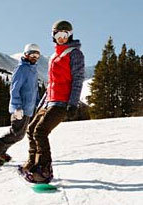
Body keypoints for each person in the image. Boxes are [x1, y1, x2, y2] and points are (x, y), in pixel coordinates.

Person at [19, 20, 85, 183]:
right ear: (53, 36)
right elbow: (51, 85)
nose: (61, 38)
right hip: (50, 101)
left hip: (63, 102)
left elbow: (77, 79)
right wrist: (41, 105)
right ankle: (32, 165)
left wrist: (73, 103)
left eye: (65, 35)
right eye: (58, 35)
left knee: (40, 131)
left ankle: (44, 170)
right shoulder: (54, 56)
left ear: (70, 35)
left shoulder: (75, 53)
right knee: (31, 128)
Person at [0, 43, 41, 166]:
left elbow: (34, 90)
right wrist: (16, 107)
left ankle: (0, 151)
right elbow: (14, 89)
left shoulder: (33, 70)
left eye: (37, 55)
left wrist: (38, 103)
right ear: (26, 54)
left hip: (28, 109)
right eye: (32, 54)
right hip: (19, 109)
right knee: (17, 134)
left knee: (17, 133)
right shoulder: (22, 69)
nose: (34, 57)